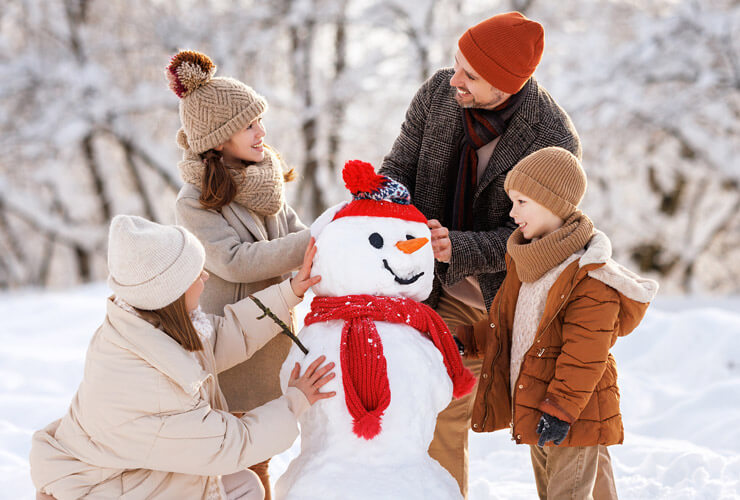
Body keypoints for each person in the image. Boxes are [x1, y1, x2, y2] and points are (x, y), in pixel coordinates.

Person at [379, 11, 581, 496]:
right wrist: (381, 200)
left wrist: (460, 247)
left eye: (471, 74)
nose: (456, 80)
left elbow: (542, 240)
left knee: (554, 422)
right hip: (440, 292)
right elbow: (400, 165)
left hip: (515, 297)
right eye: (456, 63)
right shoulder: (438, 95)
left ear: (509, 84)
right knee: (440, 406)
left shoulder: (552, 139)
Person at [29, 215, 335, 500]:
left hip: (129, 472)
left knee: (241, 484)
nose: (204, 275)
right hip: (104, 490)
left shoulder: (146, 327)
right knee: (242, 487)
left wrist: (290, 291)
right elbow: (228, 445)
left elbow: (227, 333)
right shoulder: (150, 384)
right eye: (193, 273)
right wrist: (294, 401)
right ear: (169, 293)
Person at [459, 147, 658, 499]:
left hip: (571, 413)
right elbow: (506, 326)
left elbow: (585, 355)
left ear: (551, 202)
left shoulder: (589, 278)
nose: (512, 212)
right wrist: (465, 340)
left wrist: (561, 410)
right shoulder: (530, 266)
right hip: (537, 404)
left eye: (522, 202)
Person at [167, 50, 311, 497]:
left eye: (259, 121)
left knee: (265, 447)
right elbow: (236, 259)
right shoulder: (193, 202)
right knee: (245, 455)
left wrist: (335, 237)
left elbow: (297, 234)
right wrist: (316, 243)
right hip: (234, 345)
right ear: (219, 136)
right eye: (249, 125)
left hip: (275, 338)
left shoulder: (265, 182)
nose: (261, 133)